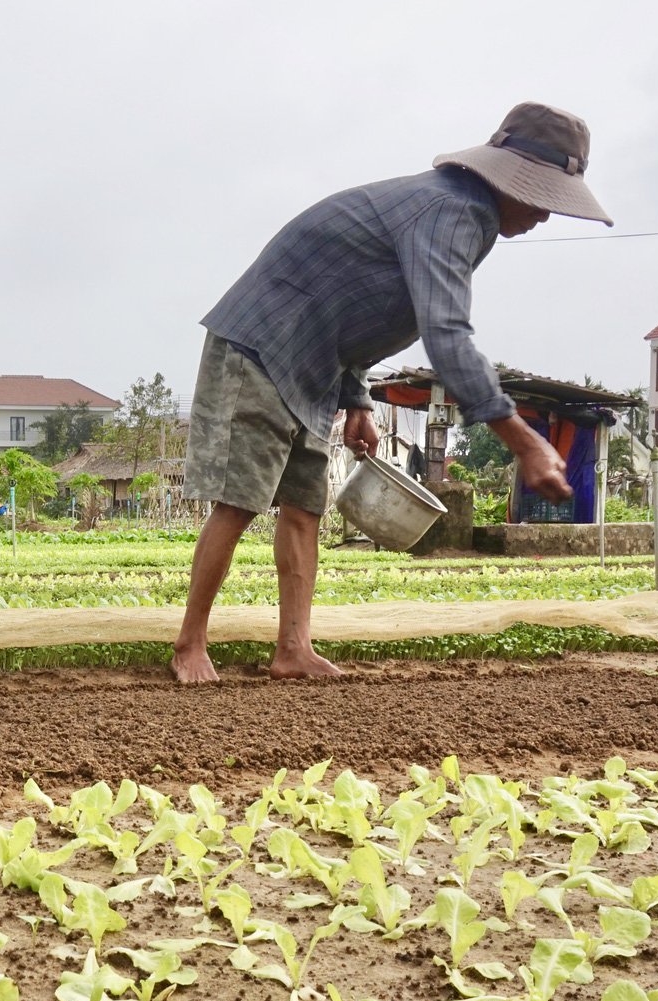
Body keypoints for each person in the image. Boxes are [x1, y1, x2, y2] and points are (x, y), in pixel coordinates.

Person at [171, 102, 609, 685]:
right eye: (543, 198)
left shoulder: (462, 215)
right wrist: (524, 441)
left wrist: (355, 396)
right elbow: (446, 334)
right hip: (262, 346)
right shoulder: (450, 211)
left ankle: (293, 649)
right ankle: (189, 643)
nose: (545, 216)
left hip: (316, 364)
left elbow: (350, 297)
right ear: (512, 178)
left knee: (304, 505)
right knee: (240, 498)